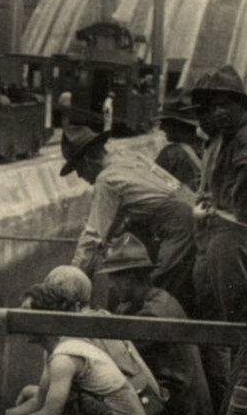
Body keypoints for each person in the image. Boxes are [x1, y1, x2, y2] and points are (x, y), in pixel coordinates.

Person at [190, 65, 247, 415]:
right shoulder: (230, 135)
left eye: (222, 105)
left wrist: (236, 208)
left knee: (239, 331)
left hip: (235, 236)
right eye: (209, 107)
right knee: (244, 331)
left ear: (239, 105)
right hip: (228, 234)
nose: (215, 113)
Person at [4, 275, 152, 415]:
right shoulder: (54, 350)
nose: (20, 318)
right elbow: (38, 402)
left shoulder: (65, 356)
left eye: (27, 313)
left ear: (46, 320)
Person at [63, 125, 197, 311]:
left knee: (154, 289)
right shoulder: (130, 157)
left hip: (179, 227)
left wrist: (73, 278)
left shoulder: (106, 180)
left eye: (77, 168)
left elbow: (93, 238)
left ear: (87, 161)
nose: (79, 175)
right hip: (194, 211)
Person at [100, 234, 213, 415]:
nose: (110, 285)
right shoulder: (155, 299)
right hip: (180, 403)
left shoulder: (154, 312)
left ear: (131, 277)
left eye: (114, 277)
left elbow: (116, 355)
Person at [154, 96, 203, 189]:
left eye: (165, 122)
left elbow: (151, 188)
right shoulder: (210, 148)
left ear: (178, 125)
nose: (161, 128)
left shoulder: (171, 154)